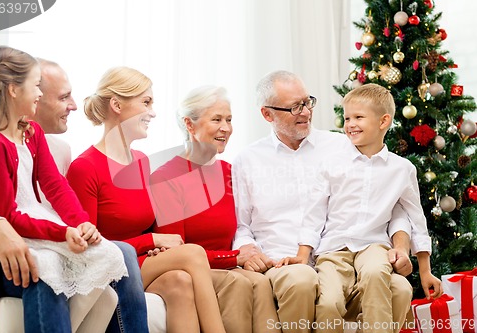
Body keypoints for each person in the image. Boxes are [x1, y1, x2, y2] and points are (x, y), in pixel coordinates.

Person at [232, 70, 414, 333]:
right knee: (302, 279)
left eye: (307, 102)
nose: (305, 112)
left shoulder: (344, 146)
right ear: (267, 114)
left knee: (399, 288)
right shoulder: (248, 160)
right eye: (295, 107)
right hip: (284, 261)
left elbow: (390, 200)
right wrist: (248, 251)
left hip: (344, 260)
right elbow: (241, 225)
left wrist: (400, 245)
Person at [66, 67, 226, 333]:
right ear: (117, 105)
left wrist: (153, 244)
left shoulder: (140, 161)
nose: (153, 112)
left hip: (139, 262)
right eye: (146, 102)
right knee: (194, 253)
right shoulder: (85, 167)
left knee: (180, 283)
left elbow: (144, 226)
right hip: (106, 268)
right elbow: (87, 248)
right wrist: (151, 241)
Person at [0, 46, 125, 333]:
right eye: (35, 86)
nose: (40, 94)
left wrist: (80, 222)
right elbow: (7, 214)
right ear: (12, 90)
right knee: (47, 267)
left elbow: (55, 185)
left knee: (110, 255)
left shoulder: (32, 132)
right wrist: (61, 233)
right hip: (14, 245)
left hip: (37, 231)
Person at [280, 83, 443, 333]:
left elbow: (414, 217)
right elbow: (314, 215)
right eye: (347, 118)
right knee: (328, 302)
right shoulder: (330, 164)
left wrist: (425, 271)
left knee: (377, 275)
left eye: (358, 117)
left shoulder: (402, 170)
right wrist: (303, 254)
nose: (350, 124)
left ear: (383, 121)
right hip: (333, 250)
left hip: (374, 245)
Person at [150, 85, 280, 333]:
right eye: (217, 119)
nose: (226, 128)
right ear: (190, 125)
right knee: (237, 284)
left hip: (227, 264)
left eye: (229, 120)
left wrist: (248, 253)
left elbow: (245, 226)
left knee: (261, 284)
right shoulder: (166, 177)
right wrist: (234, 258)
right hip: (192, 270)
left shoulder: (228, 172)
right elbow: (178, 251)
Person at [33, 58, 150, 333]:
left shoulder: (53, 146)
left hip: (68, 239)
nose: (74, 104)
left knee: (179, 278)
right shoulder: (85, 165)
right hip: (50, 244)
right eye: (64, 97)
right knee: (124, 251)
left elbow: (58, 191)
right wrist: (67, 231)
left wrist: (81, 223)